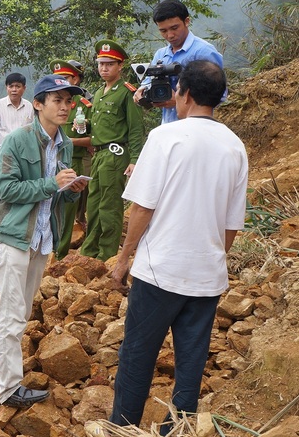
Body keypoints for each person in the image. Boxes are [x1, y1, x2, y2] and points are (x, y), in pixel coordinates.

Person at [105, 61, 247, 436]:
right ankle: (178, 431)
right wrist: (211, 257)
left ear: (184, 93)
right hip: (206, 277)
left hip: (159, 270)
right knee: (190, 365)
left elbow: (141, 208)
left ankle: (123, 429)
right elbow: (231, 226)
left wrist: (123, 261)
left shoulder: (166, 138)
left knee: (137, 355)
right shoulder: (234, 146)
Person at [0, 75, 89, 407]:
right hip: (14, 236)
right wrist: (50, 183)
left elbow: (58, 197)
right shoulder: (17, 141)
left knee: (18, 310)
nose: (64, 106)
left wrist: (71, 192)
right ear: (39, 105)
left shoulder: (67, 144)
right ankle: (10, 389)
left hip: (42, 238)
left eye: (68, 101)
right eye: (57, 100)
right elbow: (7, 190)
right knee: (13, 313)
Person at [80, 40, 144, 262]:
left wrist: (135, 159)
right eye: (101, 64)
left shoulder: (127, 93)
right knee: (93, 203)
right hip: (97, 154)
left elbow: (136, 129)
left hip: (115, 154)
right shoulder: (98, 94)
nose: (104, 68)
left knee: (109, 205)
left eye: (109, 64)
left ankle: (107, 254)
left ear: (120, 66)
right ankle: (90, 250)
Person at [133, 0, 224, 124]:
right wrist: (142, 93)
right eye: (163, 31)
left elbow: (219, 94)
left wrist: (179, 100)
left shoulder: (203, 51)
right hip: (167, 127)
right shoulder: (161, 54)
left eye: (174, 28)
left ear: (186, 21)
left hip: (196, 128)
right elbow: (148, 82)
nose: (170, 35)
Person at [0, 72, 34, 245]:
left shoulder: (29, 107)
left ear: (24, 89)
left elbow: (33, 131)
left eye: (17, 86)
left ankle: (14, 222)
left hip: (23, 153)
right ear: (7, 88)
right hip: (1, 150)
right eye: (11, 86)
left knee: (20, 185)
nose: (14, 89)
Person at [50, 59, 94, 259]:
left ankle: (63, 251)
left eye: (65, 78)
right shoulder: (49, 103)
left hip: (79, 160)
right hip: (56, 158)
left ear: (75, 78)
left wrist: (68, 142)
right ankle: (52, 247)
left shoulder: (86, 104)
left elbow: (97, 138)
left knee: (77, 204)